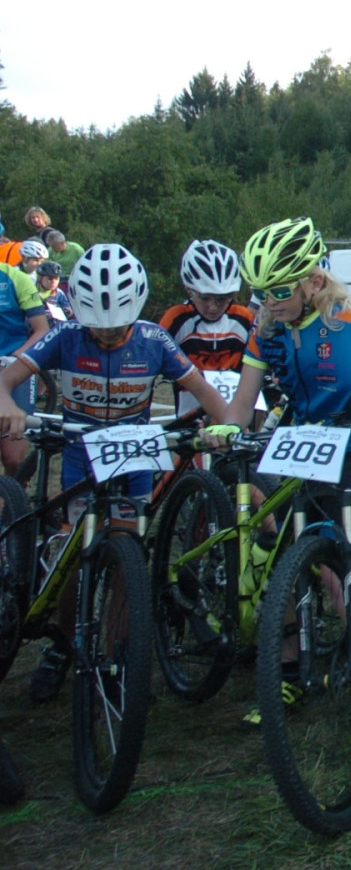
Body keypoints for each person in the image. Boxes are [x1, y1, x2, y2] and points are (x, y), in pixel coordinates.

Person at [207, 217, 351, 728]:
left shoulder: (342, 324)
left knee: (338, 563)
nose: (268, 302)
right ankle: (287, 671)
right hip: (297, 447)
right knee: (287, 560)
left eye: (279, 291)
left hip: (350, 449)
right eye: (260, 293)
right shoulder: (267, 332)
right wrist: (228, 427)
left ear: (312, 282)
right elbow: (243, 400)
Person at [0, 244, 233, 703]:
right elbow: (4, 382)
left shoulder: (153, 340)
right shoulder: (66, 335)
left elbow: (206, 393)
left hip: (134, 460)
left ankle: (116, 653)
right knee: (72, 558)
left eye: (117, 326)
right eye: (98, 326)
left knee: (129, 560)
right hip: (80, 457)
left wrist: (226, 425)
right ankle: (63, 643)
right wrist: (8, 405)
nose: (106, 335)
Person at [157, 239, 255, 417]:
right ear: (189, 289)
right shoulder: (177, 318)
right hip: (191, 416)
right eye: (205, 298)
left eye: (222, 299)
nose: (213, 306)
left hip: (238, 410)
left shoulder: (243, 318)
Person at [0, 252, 52, 476]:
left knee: (14, 459)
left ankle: (15, 493)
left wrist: (13, 359)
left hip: (13, 366)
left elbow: (42, 330)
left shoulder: (16, 279)